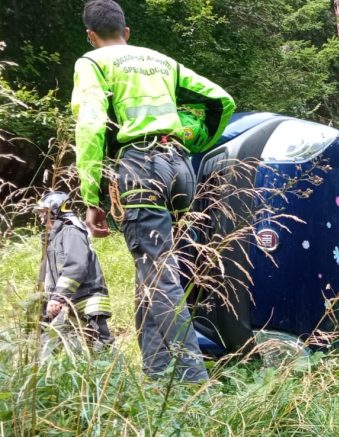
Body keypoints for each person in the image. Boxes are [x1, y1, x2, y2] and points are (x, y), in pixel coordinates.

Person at [72, 0, 235, 381]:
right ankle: (158, 371)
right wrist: (193, 138)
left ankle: (192, 381)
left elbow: (91, 125)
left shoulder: (93, 62)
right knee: (154, 271)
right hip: (179, 169)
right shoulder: (161, 61)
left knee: (158, 275)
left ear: (91, 36)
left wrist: (91, 197)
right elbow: (220, 100)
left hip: (141, 168)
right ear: (127, 32)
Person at [37, 191, 115, 358]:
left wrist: (58, 297)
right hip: (67, 300)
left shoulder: (71, 232)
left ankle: (110, 372)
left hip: (86, 299)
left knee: (99, 347)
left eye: (44, 212)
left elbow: (76, 266)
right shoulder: (56, 237)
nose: (41, 217)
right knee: (50, 344)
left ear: (55, 211)